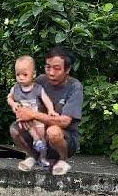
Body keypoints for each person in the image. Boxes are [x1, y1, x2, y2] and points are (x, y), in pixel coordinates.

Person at [9, 47, 83, 176]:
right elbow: (20, 96)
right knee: (14, 129)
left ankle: (62, 160)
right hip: (37, 133)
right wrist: (20, 112)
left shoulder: (74, 87)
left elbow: (65, 121)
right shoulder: (40, 81)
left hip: (64, 139)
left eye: (57, 68)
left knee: (53, 131)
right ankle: (32, 156)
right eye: (48, 67)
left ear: (67, 69)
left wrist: (33, 114)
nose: (51, 73)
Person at [7, 55, 57, 169]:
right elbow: (9, 98)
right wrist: (13, 104)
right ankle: (33, 149)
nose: (21, 78)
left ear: (33, 74)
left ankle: (42, 157)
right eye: (18, 74)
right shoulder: (15, 88)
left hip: (36, 120)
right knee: (22, 126)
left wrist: (51, 110)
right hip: (23, 120)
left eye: (24, 74)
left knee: (42, 136)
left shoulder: (38, 88)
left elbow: (46, 99)